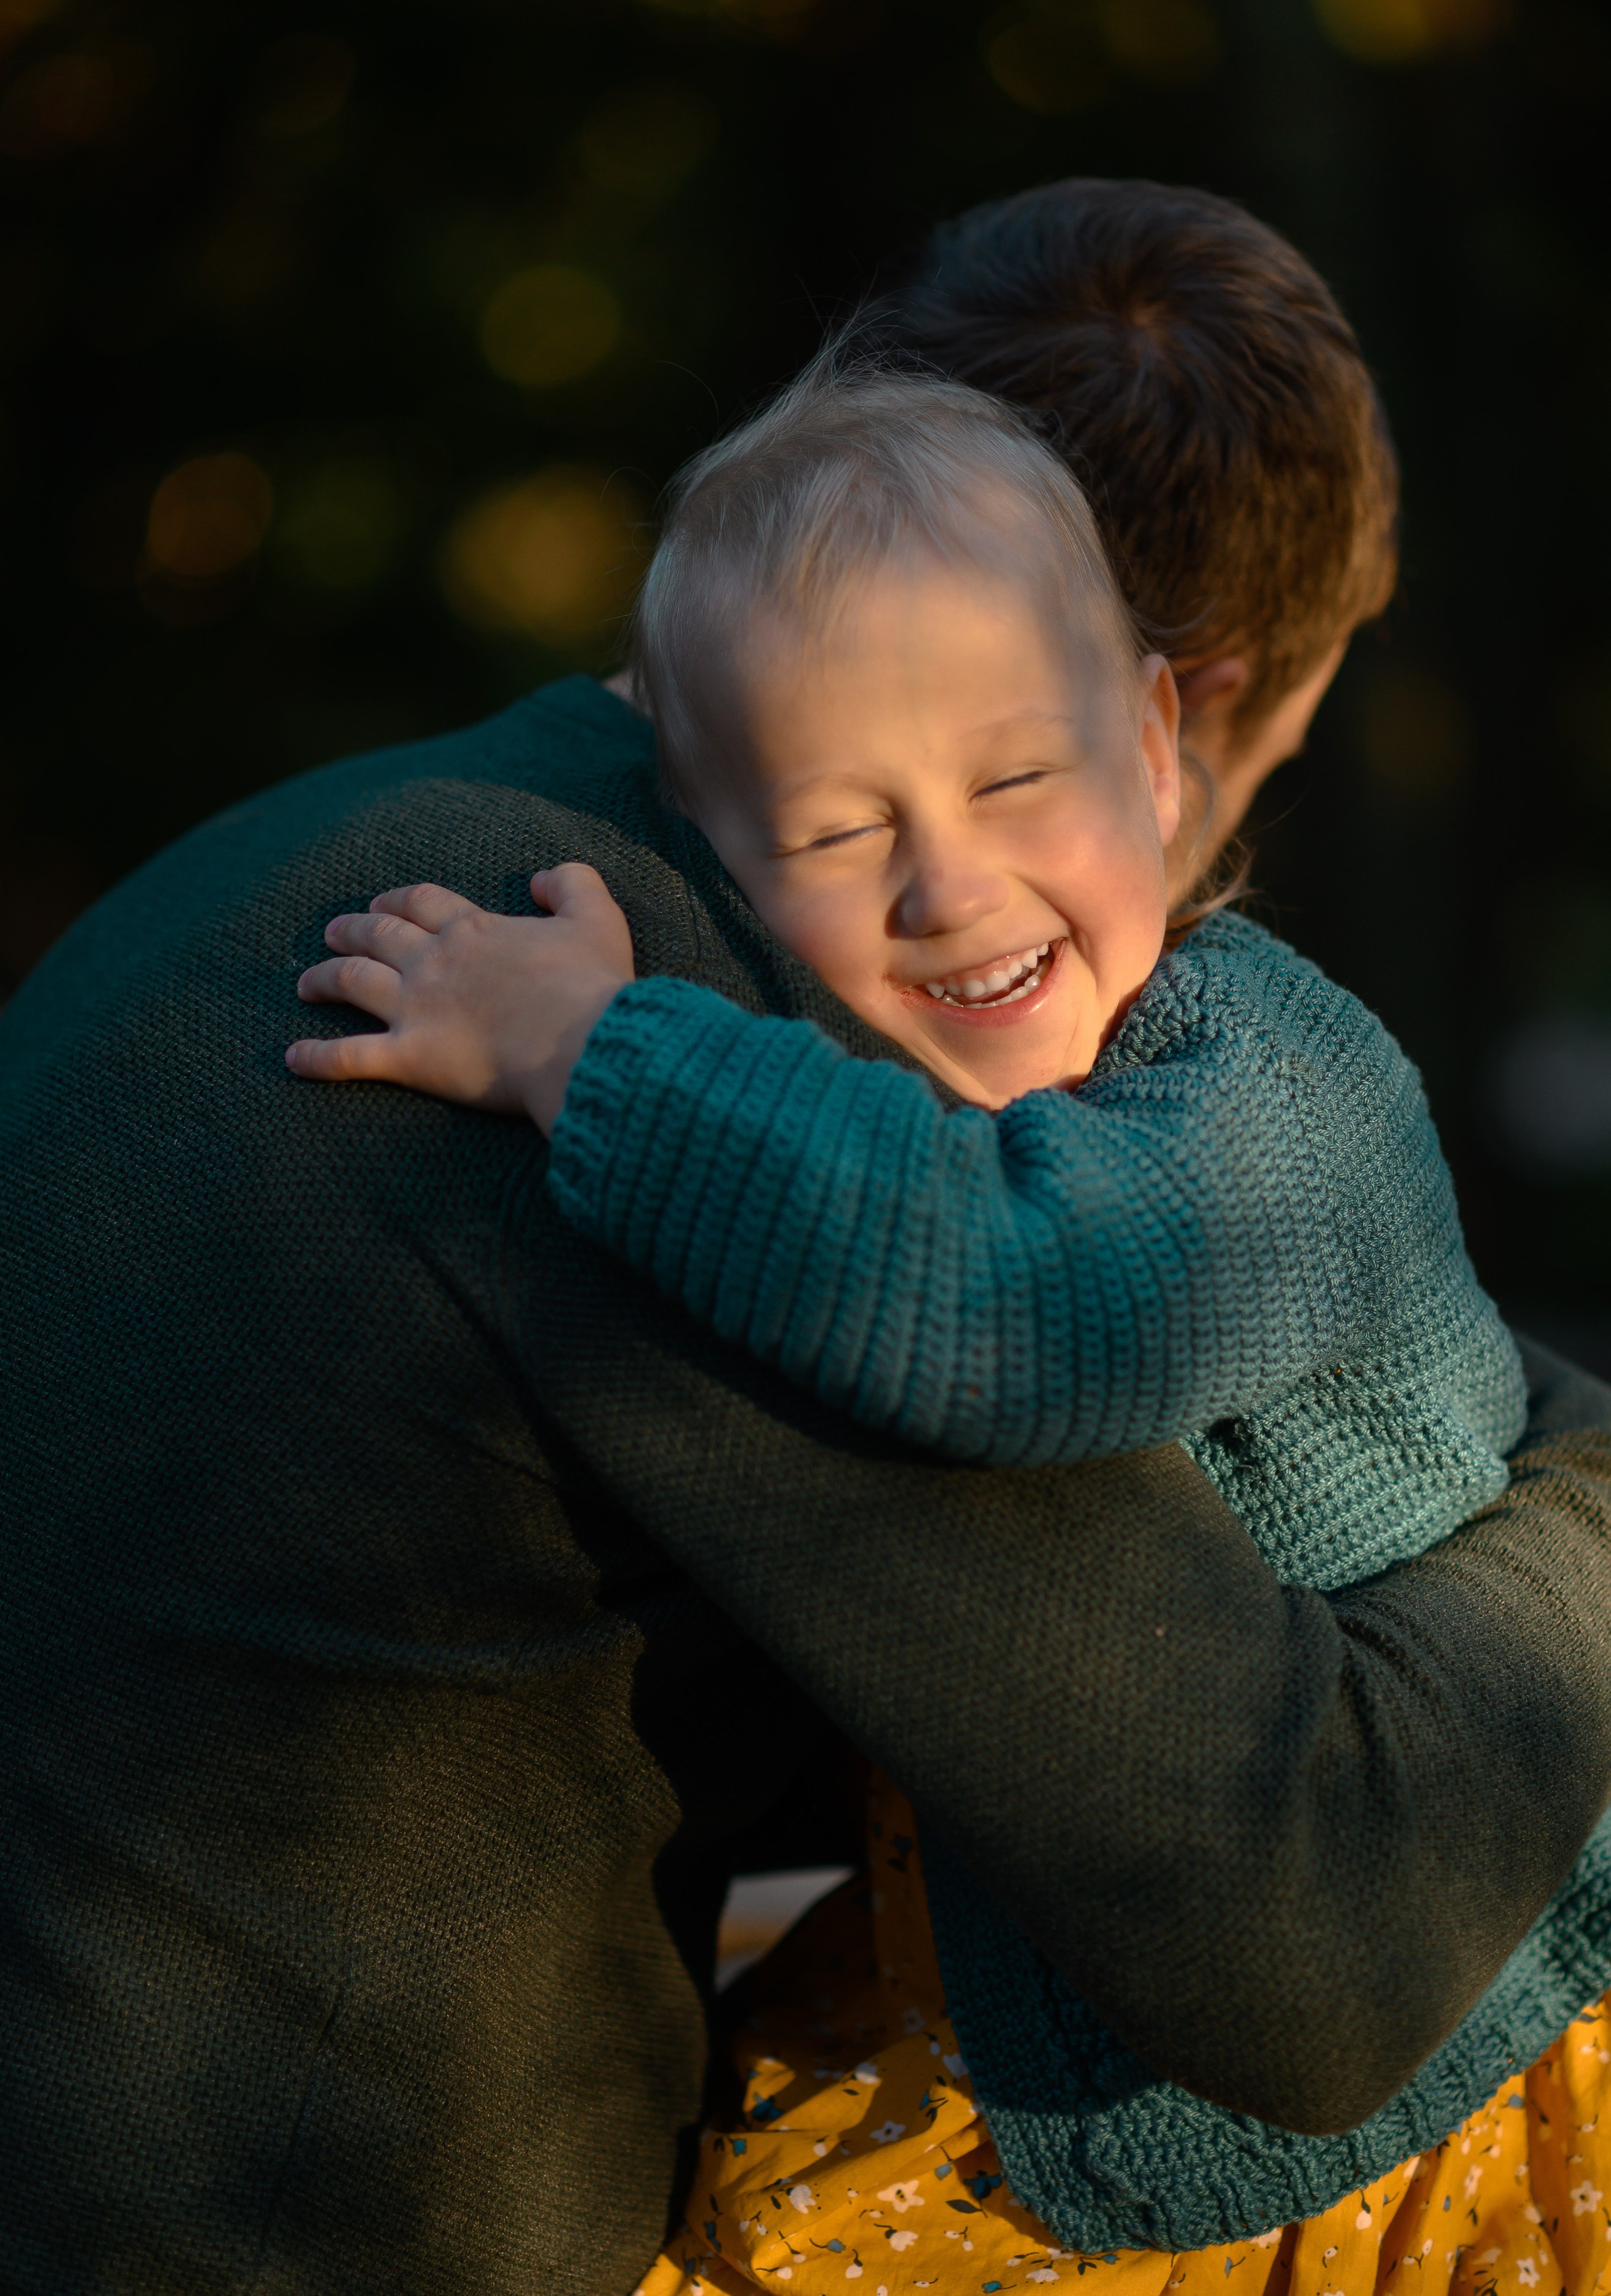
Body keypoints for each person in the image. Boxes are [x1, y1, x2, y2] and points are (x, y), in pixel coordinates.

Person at [1, 180, 1610, 2296]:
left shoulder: (349, 854)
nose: (959, 901)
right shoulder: (706, 1096)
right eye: (861, 831)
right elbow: (1312, 1951)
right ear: (1195, 713)